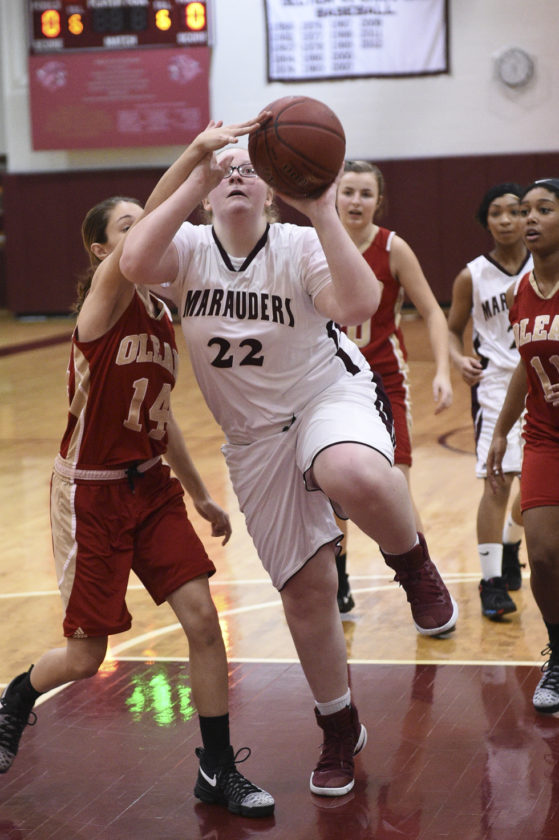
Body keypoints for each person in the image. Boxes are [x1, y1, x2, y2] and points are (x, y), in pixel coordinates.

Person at [119, 142, 458, 798]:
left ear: (272, 192)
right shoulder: (187, 248)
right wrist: (194, 168)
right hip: (253, 441)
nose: (237, 176)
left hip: (326, 396)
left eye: (250, 170)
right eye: (225, 172)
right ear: (206, 194)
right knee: (306, 592)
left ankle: (412, 563)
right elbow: (133, 260)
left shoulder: (298, 244)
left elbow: (357, 307)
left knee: (351, 471)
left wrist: (323, 210)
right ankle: (339, 727)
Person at [0, 120, 276, 819]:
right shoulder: (106, 301)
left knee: (203, 621)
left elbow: (164, 418)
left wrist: (203, 496)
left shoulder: (158, 311)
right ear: (101, 250)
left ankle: (216, 769)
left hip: (151, 488)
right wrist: (198, 159)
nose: (146, 232)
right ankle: (17, 696)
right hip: (91, 495)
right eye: (127, 226)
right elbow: (155, 226)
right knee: (85, 657)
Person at [334, 160, 453, 612]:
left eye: (366, 194)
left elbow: (433, 311)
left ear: (378, 201)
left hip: (384, 381)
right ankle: (339, 581)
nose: (356, 201)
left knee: (396, 487)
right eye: (348, 192)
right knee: (331, 489)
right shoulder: (315, 243)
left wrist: (442, 370)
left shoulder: (392, 247)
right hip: (328, 383)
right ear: (334, 196)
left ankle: (424, 579)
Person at [487, 177, 559, 715]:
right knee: (544, 554)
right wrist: (499, 430)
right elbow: (523, 367)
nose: (529, 218)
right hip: (545, 438)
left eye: (543, 209)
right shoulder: (519, 292)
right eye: (523, 210)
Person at [447, 183, 531, 620]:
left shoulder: (547, 265)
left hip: (544, 380)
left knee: (539, 484)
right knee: (499, 479)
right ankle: (491, 582)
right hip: (496, 384)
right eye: (496, 212)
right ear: (486, 221)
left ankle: (512, 542)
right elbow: (451, 328)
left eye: (514, 211)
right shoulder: (472, 275)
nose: (506, 220)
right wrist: (458, 357)